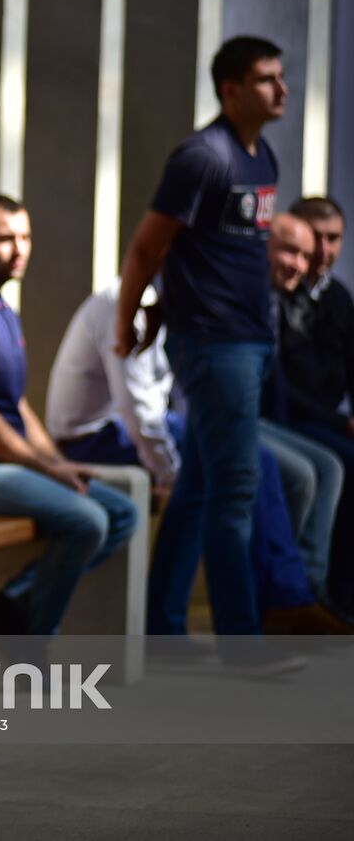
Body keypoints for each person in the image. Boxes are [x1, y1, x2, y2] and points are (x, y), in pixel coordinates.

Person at [115, 35, 300, 672]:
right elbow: (148, 248)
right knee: (235, 490)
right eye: (268, 79)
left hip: (246, 339)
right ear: (231, 90)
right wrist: (128, 323)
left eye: (282, 77)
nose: (282, 89)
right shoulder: (201, 157)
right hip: (217, 345)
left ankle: (163, 632)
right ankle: (243, 648)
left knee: (198, 488)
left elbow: (209, 258)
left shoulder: (262, 157)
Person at [46, 274, 348, 635]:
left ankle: (195, 617)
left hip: (136, 426)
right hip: (99, 435)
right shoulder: (126, 303)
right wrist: (168, 473)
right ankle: (281, 599)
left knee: (243, 463)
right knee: (242, 463)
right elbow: (138, 410)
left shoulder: (171, 302)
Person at [0, 193, 137, 637]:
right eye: (4, 239)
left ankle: (10, 602)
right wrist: (44, 467)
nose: (19, 250)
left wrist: (56, 461)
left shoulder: (0, 307)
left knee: (121, 513)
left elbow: (13, 405)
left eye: (25, 237)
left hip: (1, 465)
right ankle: (33, 642)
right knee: (87, 520)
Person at [276, 196, 354, 616]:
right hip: (293, 420)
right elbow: (278, 385)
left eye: (333, 239)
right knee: (336, 464)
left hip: (328, 421)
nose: (322, 252)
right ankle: (316, 593)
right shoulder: (279, 293)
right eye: (313, 241)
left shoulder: (339, 299)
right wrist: (342, 423)